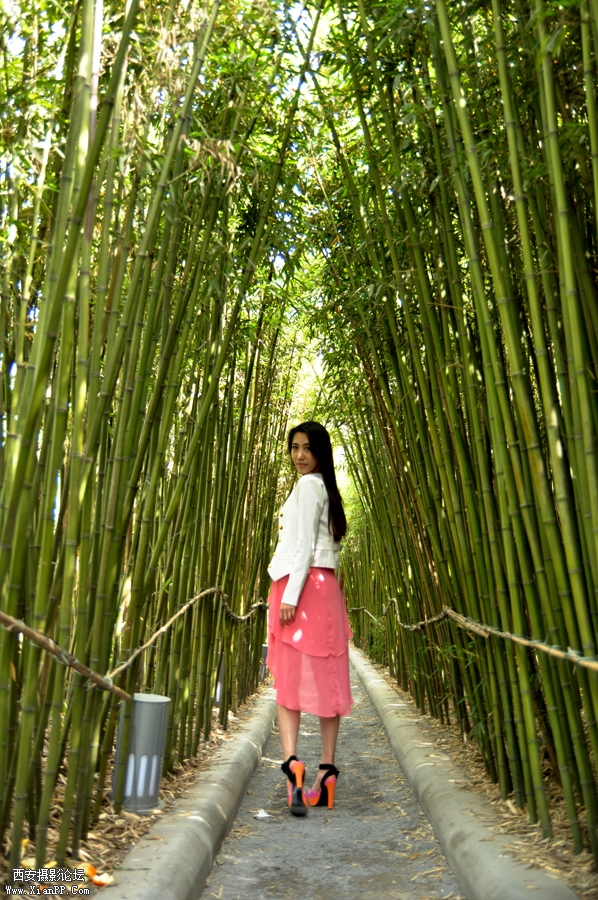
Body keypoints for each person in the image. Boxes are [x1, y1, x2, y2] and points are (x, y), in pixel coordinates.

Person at [266, 421, 352, 816]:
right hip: (326, 588)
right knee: (328, 681)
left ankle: (293, 769)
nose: (299, 455)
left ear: (320, 451)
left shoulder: (306, 486)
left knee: (288, 681)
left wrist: (290, 597)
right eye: (294, 447)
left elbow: (301, 548)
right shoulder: (327, 489)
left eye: (307, 448)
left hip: (298, 588)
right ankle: (327, 773)